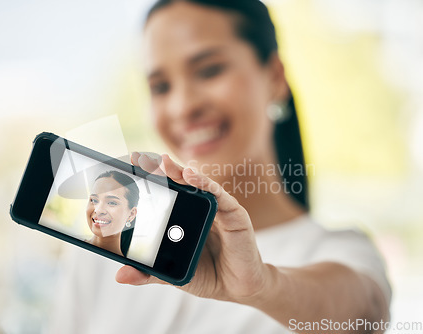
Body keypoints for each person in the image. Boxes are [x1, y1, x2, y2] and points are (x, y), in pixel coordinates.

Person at [48, 1, 391, 333]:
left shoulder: (340, 253)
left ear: (274, 77)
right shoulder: (107, 244)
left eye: (209, 70)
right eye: (161, 87)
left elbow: (361, 312)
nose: (183, 106)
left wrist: (262, 285)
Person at [85, 170, 139, 257]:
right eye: (94, 200)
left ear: (131, 214)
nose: (98, 210)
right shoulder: (67, 247)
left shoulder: (127, 269)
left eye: (112, 203)